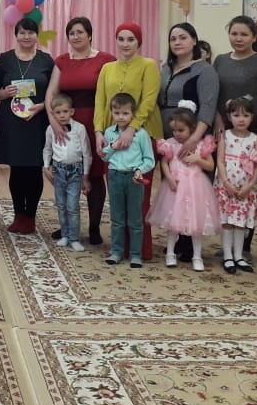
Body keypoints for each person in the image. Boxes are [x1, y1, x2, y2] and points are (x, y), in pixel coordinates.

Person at [43, 17, 116, 245]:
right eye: (71, 33)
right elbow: (50, 94)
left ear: (90, 34)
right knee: (64, 174)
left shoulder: (106, 60)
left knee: (94, 174)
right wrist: (54, 122)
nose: (75, 37)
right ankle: (67, 225)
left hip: (96, 123)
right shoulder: (62, 61)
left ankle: (94, 227)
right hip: (66, 124)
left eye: (80, 32)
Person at [94, 22, 162, 260]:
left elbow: (149, 100)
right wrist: (98, 132)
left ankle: (139, 250)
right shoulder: (107, 68)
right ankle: (118, 248)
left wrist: (132, 129)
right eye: (121, 39)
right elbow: (100, 101)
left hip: (142, 135)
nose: (125, 44)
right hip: (112, 137)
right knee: (117, 196)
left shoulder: (148, 65)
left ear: (139, 42)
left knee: (138, 198)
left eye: (131, 39)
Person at [212, 15, 257, 259]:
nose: (238, 39)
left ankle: (244, 246)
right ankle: (228, 244)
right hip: (225, 134)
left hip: (252, 134)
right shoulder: (220, 60)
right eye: (234, 34)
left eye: (244, 34)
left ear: (254, 37)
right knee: (226, 183)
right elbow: (214, 96)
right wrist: (219, 122)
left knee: (246, 187)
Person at [158, 22, 219, 262]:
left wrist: (194, 138)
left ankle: (189, 243)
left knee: (192, 191)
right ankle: (176, 239)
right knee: (173, 188)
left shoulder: (204, 70)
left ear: (194, 40)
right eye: (173, 38)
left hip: (194, 136)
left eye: (183, 37)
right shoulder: (165, 68)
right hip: (170, 136)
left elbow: (208, 106)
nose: (177, 42)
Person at [0, 18, 55, 234]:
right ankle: (19, 215)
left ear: (37, 35)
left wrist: (42, 106)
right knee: (17, 168)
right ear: (16, 35)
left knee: (35, 169)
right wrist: (4, 93)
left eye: (31, 33)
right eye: (22, 33)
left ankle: (30, 217)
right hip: (13, 123)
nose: (27, 36)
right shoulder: (5, 60)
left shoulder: (46, 61)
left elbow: (54, 92)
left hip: (37, 121)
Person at [148, 100, 220, 272]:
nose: (177, 134)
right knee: (173, 222)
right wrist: (169, 178)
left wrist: (198, 159)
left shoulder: (200, 145)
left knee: (196, 223)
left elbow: (211, 166)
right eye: (174, 130)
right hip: (175, 187)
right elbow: (164, 162)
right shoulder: (170, 144)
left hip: (196, 188)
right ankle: (170, 253)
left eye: (181, 130)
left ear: (192, 128)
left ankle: (197, 256)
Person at [101, 93, 156, 267]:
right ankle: (116, 252)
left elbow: (150, 160)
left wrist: (140, 170)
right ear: (111, 113)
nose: (121, 117)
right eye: (117, 113)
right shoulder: (109, 132)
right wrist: (112, 146)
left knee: (135, 219)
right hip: (115, 176)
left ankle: (135, 254)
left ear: (133, 114)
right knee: (117, 217)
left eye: (125, 113)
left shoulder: (141, 135)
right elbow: (104, 156)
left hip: (134, 178)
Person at [215, 97, 257, 274]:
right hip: (226, 186)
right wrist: (226, 183)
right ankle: (228, 256)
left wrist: (249, 186)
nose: (241, 119)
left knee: (240, 222)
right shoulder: (225, 136)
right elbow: (220, 161)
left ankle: (239, 256)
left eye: (245, 115)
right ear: (229, 117)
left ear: (252, 117)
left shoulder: (255, 139)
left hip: (245, 187)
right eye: (236, 115)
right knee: (227, 221)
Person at [42, 93, 91, 251]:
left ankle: (74, 238)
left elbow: (87, 153)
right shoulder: (50, 129)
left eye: (65, 111)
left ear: (72, 111)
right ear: (53, 114)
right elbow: (47, 149)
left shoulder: (80, 129)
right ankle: (65, 235)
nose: (62, 115)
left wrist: (85, 176)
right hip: (58, 171)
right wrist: (46, 166)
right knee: (61, 205)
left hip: (75, 171)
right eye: (58, 112)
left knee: (72, 206)